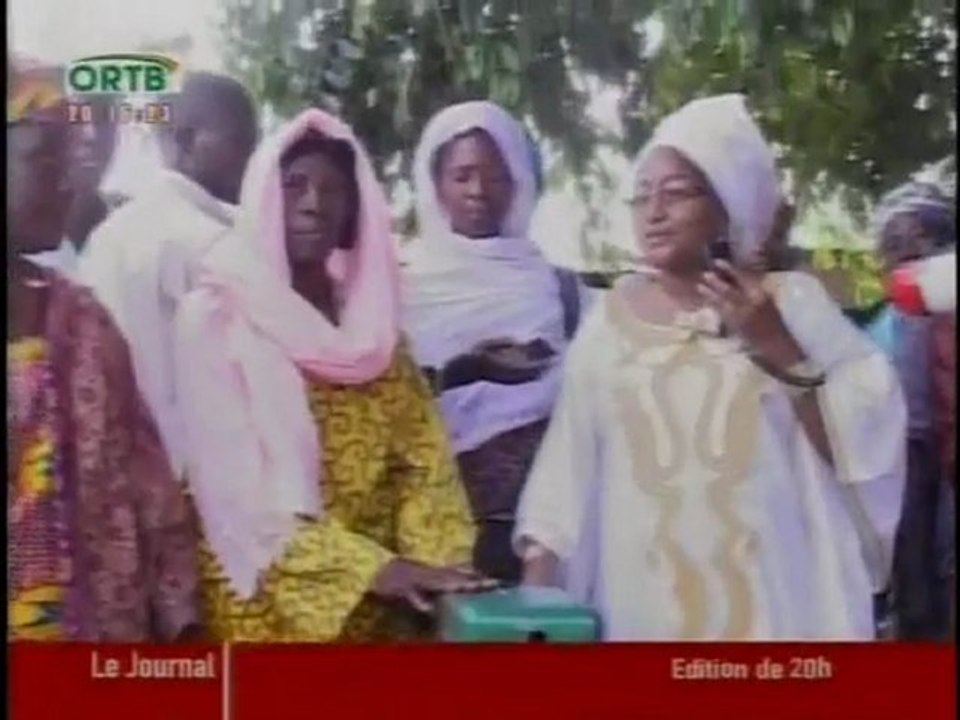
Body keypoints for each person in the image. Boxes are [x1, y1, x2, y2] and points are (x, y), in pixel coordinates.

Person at [514, 94, 907, 641]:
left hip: (777, 604)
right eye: (642, 196)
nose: (653, 212)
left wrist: (775, 343)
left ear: (727, 207)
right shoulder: (607, 324)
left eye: (676, 194)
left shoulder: (791, 303)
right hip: (640, 609)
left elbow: (866, 443)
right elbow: (565, 474)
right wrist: (537, 597)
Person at [173, 108, 491, 643]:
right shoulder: (215, 319)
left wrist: (439, 570)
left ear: (353, 213)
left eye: (333, 191)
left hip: (386, 609)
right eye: (294, 185)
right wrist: (373, 571)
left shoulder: (374, 330)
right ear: (262, 197)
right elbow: (237, 494)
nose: (314, 204)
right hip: (267, 604)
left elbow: (422, 462)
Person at [7, 57, 200, 641]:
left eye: (71, 160)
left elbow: (151, 489)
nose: (70, 180)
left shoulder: (84, 321)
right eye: (46, 160)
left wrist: (181, 624)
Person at [401, 101, 580, 583]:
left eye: (497, 177)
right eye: (462, 176)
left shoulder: (556, 288)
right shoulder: (399, 287)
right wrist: (465, 371)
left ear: (518, 183)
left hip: (539, 537)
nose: (479, 191)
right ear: (435, 184)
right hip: (427, 534)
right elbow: (382, 405)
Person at [79, 72, 259, 481]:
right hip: (201, 488)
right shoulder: (207, 242)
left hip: (114, 481)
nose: (254, 161)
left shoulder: (111, 236)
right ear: (185, 140)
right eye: (242, 143)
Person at [866, 180, 955, 640]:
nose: (910, 252)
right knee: (912, 581)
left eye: (923, 239)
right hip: (901, 464)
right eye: (896, 242)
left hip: (946, 462)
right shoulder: (876, 332)